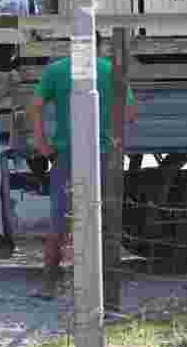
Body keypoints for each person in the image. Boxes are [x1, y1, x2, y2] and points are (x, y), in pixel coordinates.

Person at [27, 32, 138, 300]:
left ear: (72, 45)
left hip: (68, 155)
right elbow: (130, 114)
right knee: (101, 218)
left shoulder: (56, 70)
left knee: (60, 219)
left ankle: (50, 283)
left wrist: (42, 142)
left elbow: (35, 107)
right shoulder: (110, 70)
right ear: (99, 46)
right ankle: (97, 286)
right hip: (102, 156)